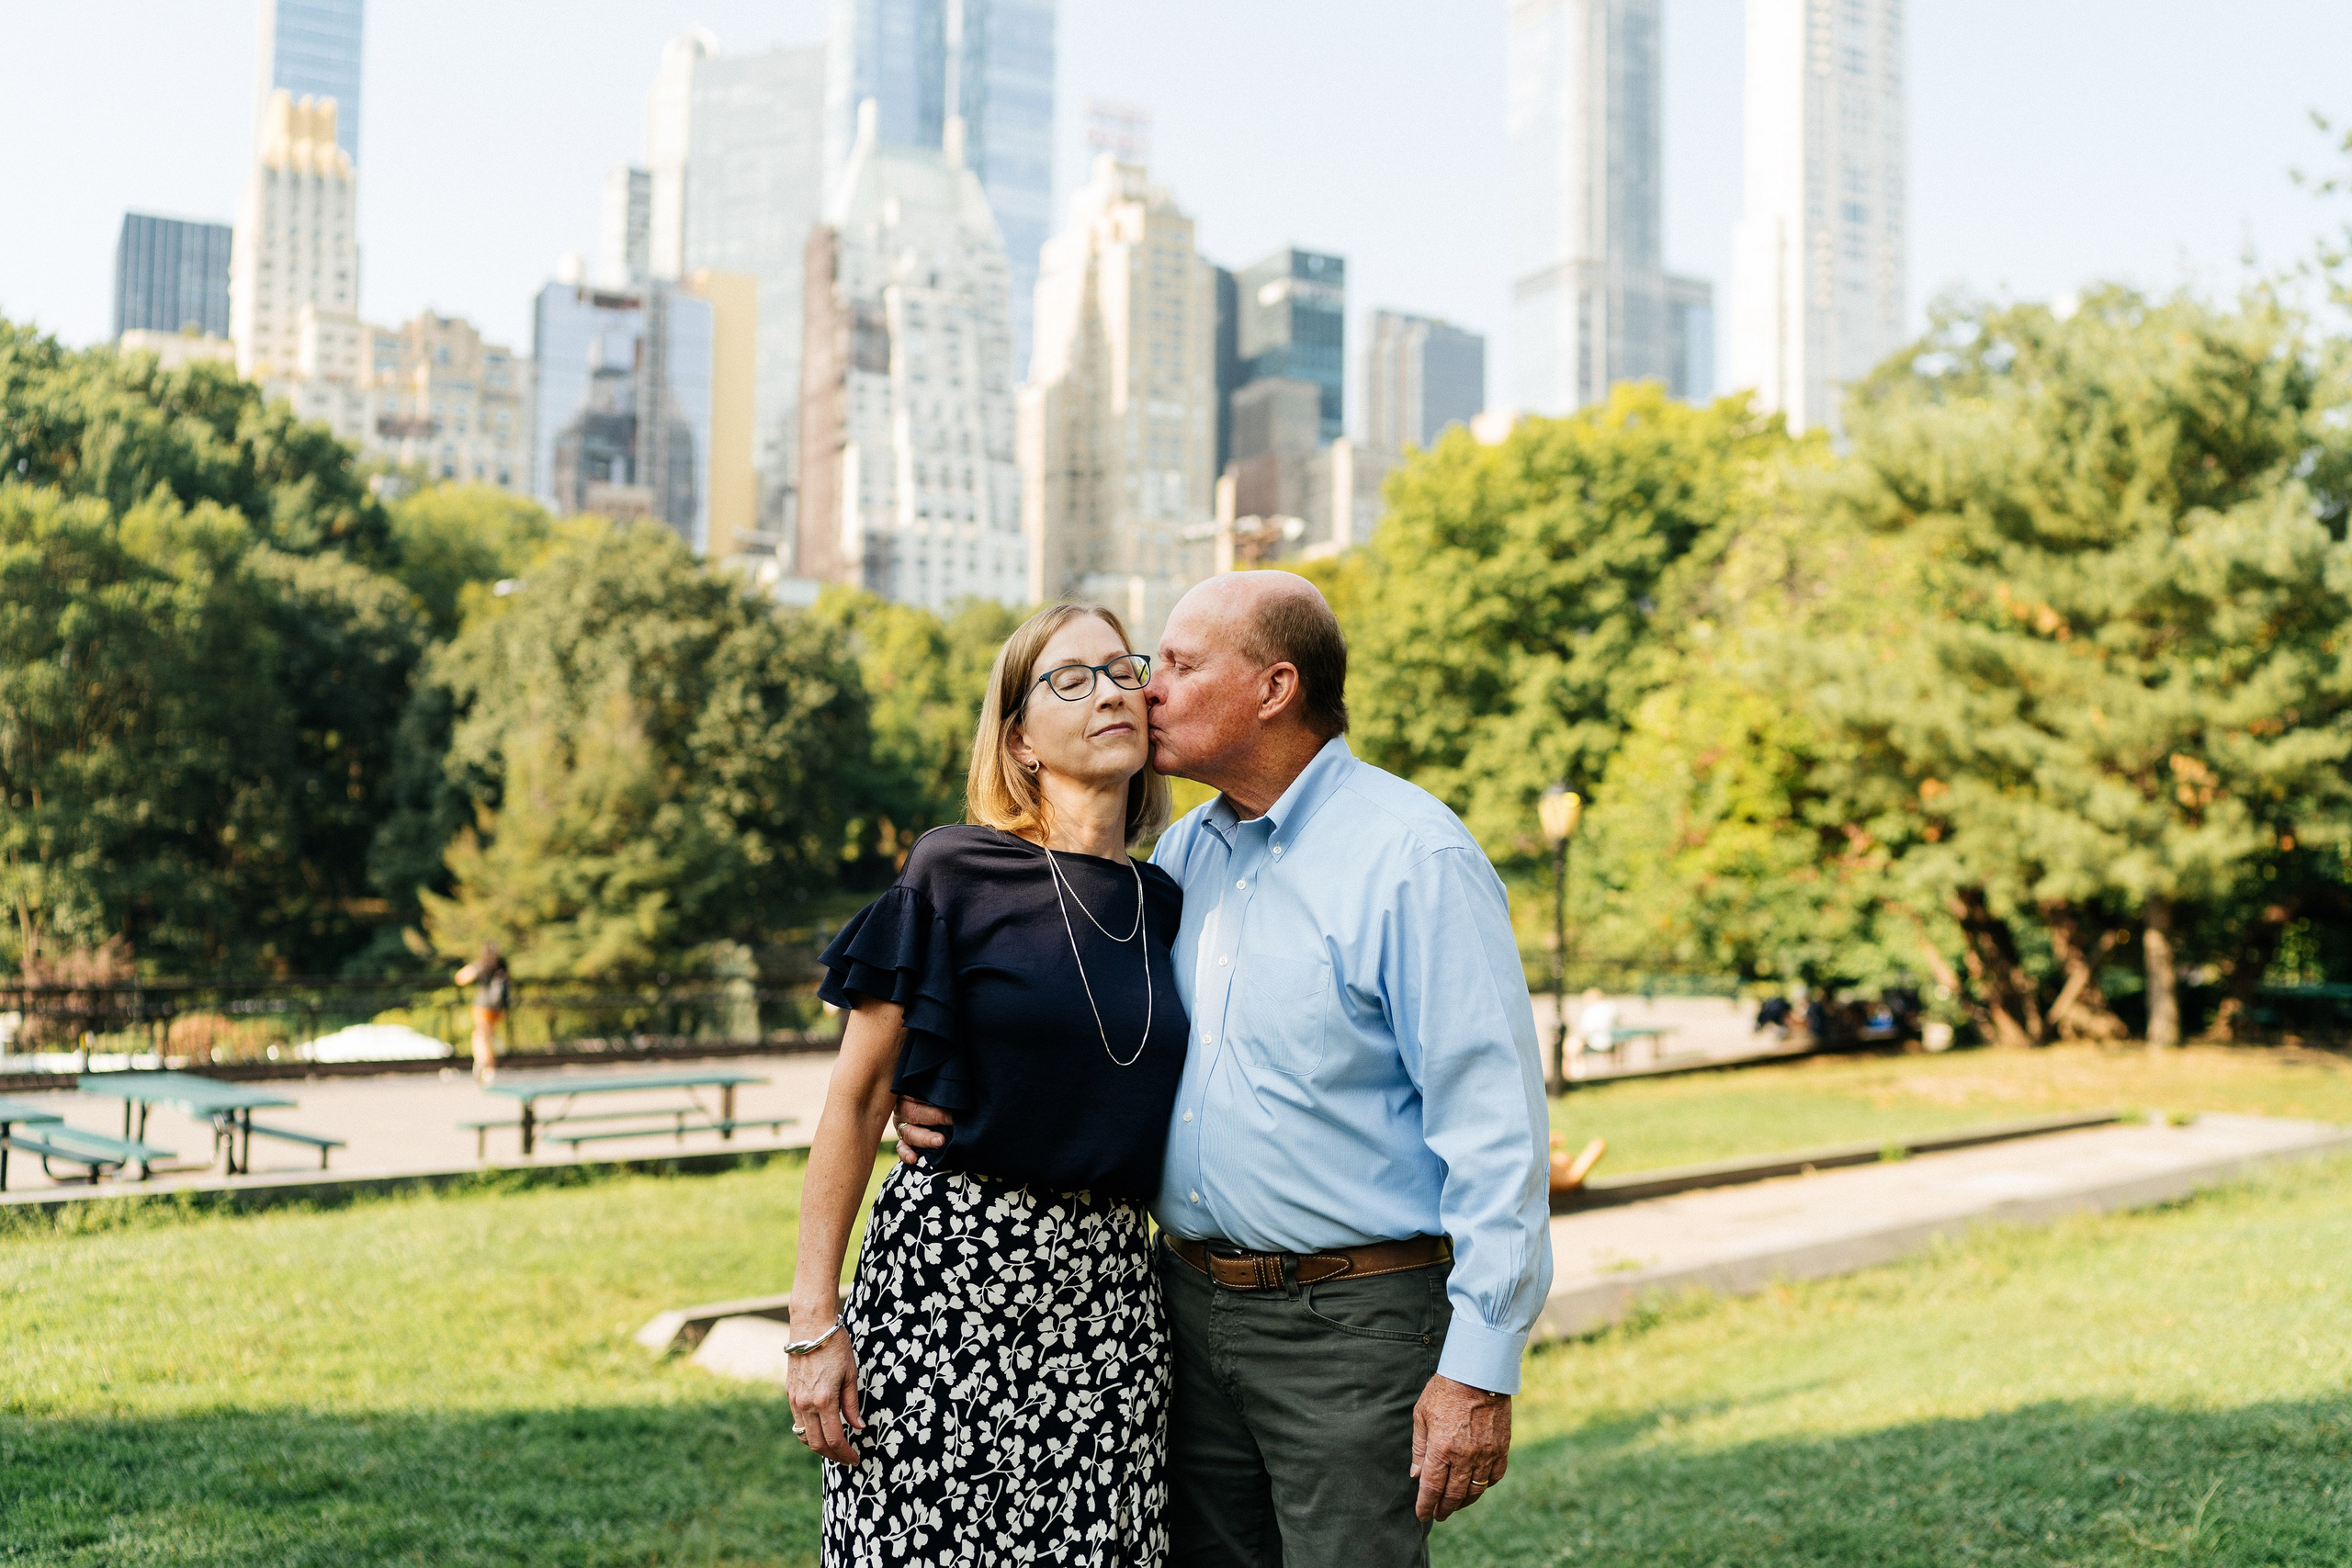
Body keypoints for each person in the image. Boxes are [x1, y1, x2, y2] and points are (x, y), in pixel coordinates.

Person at [899, 571, 1553, 1566]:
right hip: (1182, 1315)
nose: (1144, 689)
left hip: (1351, 1325)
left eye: (1177, 664)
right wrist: (951, 1089)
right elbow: (1085, 1025)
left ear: (1273, 688)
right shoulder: (1177, 860)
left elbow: (1494, 1128)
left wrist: (1478, 1370)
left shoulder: (1412, 856)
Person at [786, 603, 1191, 1564]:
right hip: (949, 1285)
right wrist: (813, 1324)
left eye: (1122, 671)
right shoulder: (954, 870)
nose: (1109, 693)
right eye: (1070, 678)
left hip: (1108, 1306)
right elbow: (856, 1101)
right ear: (1018, 738)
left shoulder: (1171, 903)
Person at [452, 944, 509, 1080]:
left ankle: (486, 1065)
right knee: (483, 1036)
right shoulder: (501, 965)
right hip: (498, 1007)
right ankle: (484, 1063)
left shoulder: (481, 965)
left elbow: (460, 978)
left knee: (481, 1037)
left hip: (483, 1006)